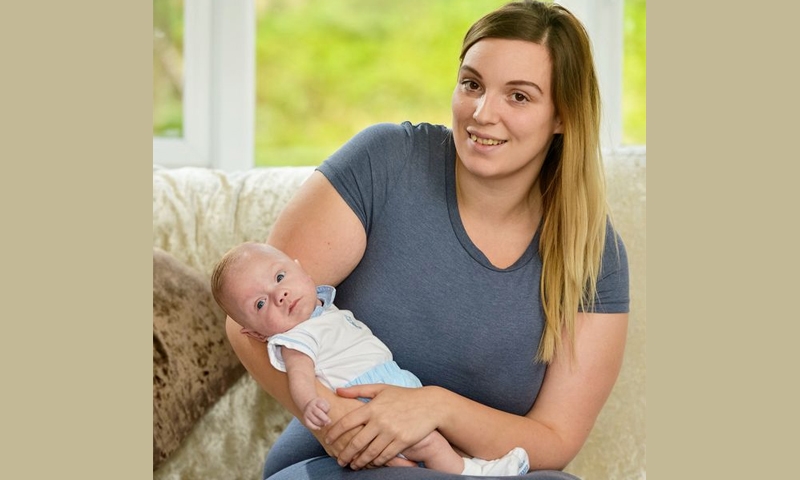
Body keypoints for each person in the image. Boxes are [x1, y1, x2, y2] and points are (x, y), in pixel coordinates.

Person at [226, 1, 630, 479]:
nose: (482, 113)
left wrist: (435, 407)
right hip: (345, 462)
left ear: (562, 116)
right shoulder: (385, 163)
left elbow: (554, 439)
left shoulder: (594, 254)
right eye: (472, 84)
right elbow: (251, 321)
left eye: (518, 96)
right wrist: (338, 423)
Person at [211, 241, 530, 476]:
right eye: (260, 305)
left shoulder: (323, 309)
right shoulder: (294, 339)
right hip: (367, 405)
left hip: (395, 387)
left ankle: (471, 465)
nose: (278, 295)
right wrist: (311, 404)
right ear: (257, 335)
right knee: (429, 445)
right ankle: (475, 474)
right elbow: (299, 375)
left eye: (280, 277)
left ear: (301, 269)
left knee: (437, 439)